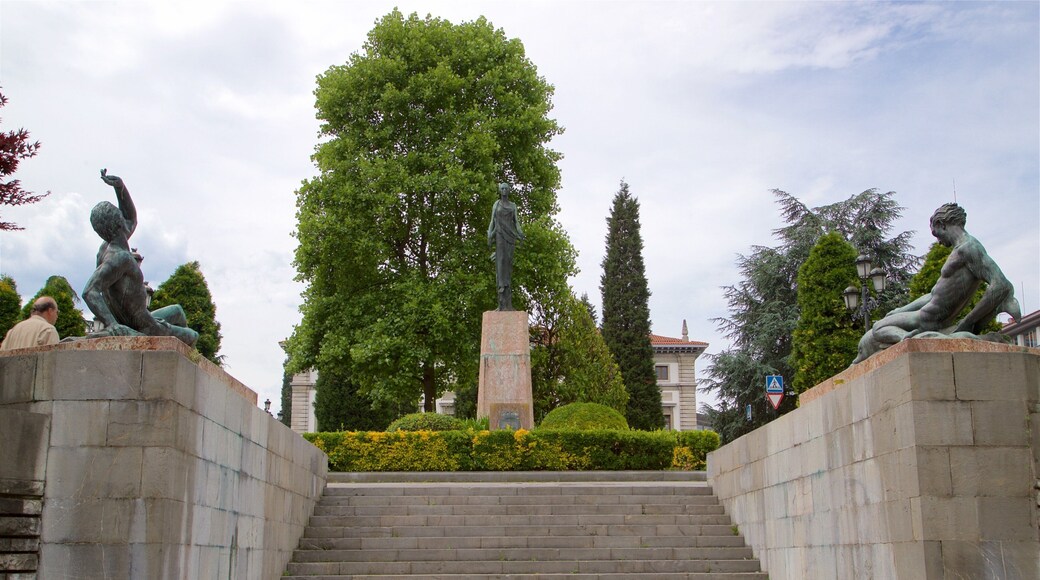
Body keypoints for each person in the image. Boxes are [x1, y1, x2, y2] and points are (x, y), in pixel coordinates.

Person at [853, 202, 1020, 363]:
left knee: (878, 328)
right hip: (929, 312)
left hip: (930, 318)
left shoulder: (969, 248)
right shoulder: (962, 248)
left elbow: (1001, 285)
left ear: (942, 224)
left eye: (935, 233)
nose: (938, 241)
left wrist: (968, 322)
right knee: (882, 325)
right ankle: (910, 339)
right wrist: (900, 310)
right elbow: (933, 295)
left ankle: (908, 341)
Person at [82, 169, 199, 346]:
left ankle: (173, 351)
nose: (124, 218)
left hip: (141, 317)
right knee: (193, 336)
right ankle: (175, 353)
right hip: (145, 326)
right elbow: (90, 291)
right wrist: (111, 324)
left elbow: (131, 218)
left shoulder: (107, 247)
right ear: (118, 221)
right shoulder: (120, 257)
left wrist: (120, 188)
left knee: (177, 311)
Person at [487, 182, 525, 311]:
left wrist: (521, 234)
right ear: (499, 190)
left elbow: (517, 223)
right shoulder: (496, 205)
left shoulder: (513, 206)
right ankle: (501, 298)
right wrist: (489, 235)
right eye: (502, 188)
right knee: (500, 263)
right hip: (499, 236)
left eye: (506, 188)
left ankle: (507, 301)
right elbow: (492, 221)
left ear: (509, 190)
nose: (504, 190)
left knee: (508, 265)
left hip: (510, 237)